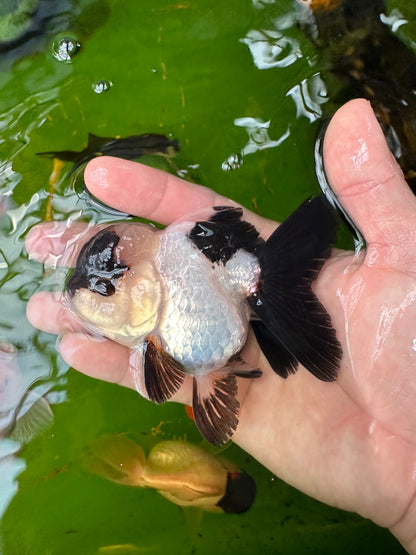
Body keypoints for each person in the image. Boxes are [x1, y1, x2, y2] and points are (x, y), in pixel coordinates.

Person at [25, 98, 416, 553]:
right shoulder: (155, 275)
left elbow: (172, 366)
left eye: (106, 291)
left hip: (231, 302)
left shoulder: (172, 270)